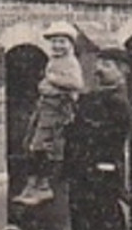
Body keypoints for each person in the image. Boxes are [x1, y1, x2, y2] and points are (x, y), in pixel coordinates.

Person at [58, 46, 132, 230]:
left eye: (108, 65)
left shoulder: (118, 101)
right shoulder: (96, 97)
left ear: (122, 70)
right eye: (99, 64)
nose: (99, 69)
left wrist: (80, 121)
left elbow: (109, 137)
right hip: (82, 175)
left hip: (102, 178)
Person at [13, 21, 86, 206]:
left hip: (57, 107)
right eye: (54, 42)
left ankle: (43, 186)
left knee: (40, 145)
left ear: (70, 44)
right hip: (45, 105)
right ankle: (32, 185)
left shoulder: (71, 62)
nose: (57, 46)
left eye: (62, 42)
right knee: (29, 142)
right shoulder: (54, 59)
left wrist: (52, 81)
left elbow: (77, 83)